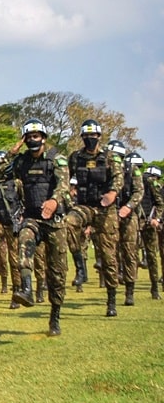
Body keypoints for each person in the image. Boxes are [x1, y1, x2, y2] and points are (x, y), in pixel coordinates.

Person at [5, 120, 71, 336]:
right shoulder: (21, 162)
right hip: (32, 218)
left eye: (36, 136)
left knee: (57, 273)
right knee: (23, 240)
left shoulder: (56, 159)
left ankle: (55, 317)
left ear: (43, 137)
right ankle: (26, 289)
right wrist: (10, 153)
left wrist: (53, 201)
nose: (33, 140)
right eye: (29, 136)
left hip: (55, 221)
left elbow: (64, 185)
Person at [65, 119, 124, 316]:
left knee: (108, 257)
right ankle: (80, 267)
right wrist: (66, 192)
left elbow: (119, 179)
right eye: (87, 136)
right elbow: (64, 177)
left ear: (99, 136)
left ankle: (111, 299)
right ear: (82, 137)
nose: (90, 139)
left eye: (94, 135)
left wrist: (113, 193)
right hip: (84, 206)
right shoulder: (75, 157)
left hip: (106, 210)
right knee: (68, 223)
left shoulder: (110, 157)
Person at [0, 150, 24, 304]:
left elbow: (24, 201)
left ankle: (16, 291)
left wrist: (22, 219)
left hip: (12, 224)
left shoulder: (16, 183)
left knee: (14, 261)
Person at [114, 146, 143, 306]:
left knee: (130, 253)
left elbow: (139, 191)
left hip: (129, 215)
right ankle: (113, 285)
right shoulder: (104, 168)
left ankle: (129, 291)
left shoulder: (132, 170)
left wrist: (128, 207)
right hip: (111, 214)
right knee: (111, 252)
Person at [141, 165, 162, 301]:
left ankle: (154, 287)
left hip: (148, 222)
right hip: (132, 221)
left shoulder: (152, 185)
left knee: (151, 255)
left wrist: (156, 218)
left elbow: (160, 203)